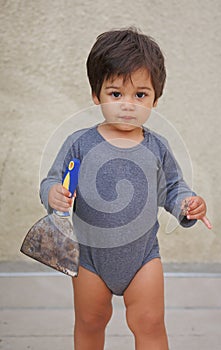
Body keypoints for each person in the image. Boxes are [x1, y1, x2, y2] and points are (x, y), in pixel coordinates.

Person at [40, 28, 212, 350]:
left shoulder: (157, 148)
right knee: (90, 322)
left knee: (149, 323)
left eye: (140, 95)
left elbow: (173, 188)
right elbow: (52, 181)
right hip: (90, 258)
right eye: (116, 94)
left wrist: (187, 204)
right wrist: (53, 194)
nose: (128, 105)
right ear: (97, 96)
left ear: (155, 99)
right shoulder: (79, 143)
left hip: (143, 256)